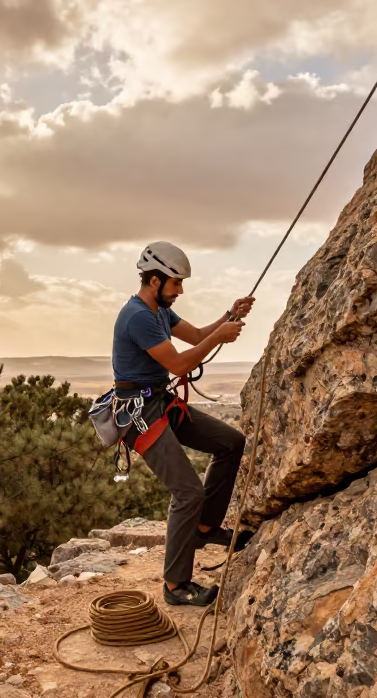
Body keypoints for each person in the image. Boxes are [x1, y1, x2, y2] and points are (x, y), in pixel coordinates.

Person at [111, 241, 255, 607]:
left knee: (230, 442)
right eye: (176, 283)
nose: (180, 290)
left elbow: (195, 336)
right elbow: (179, 365)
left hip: (159, 401)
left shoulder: (160, 311)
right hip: (139, 413)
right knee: (187, 491)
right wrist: (220, 337)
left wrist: (229, 316)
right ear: (155, 280)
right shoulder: (138, 316)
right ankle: (176, 586)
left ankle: (205, 528)